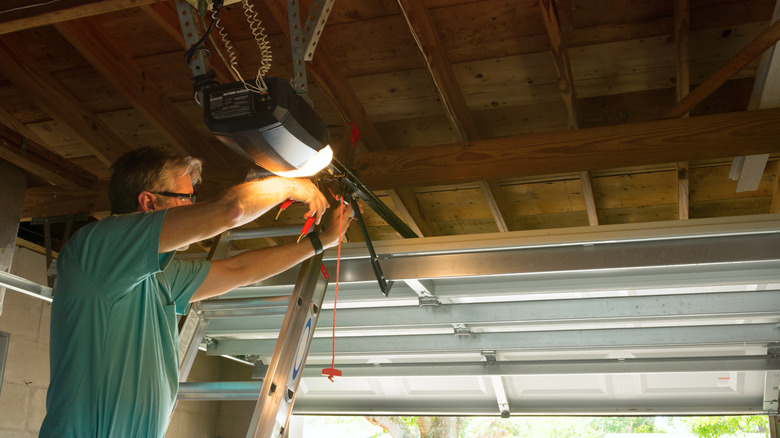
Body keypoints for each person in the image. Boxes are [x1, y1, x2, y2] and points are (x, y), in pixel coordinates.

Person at [39, 147, 355, 437]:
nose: (192, 206)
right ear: (149, 202)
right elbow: (230, 211)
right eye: (185, 198)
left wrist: (321, 241)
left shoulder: (160, 275)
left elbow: (238, 271)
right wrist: (290, 185)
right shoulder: (98, 249)